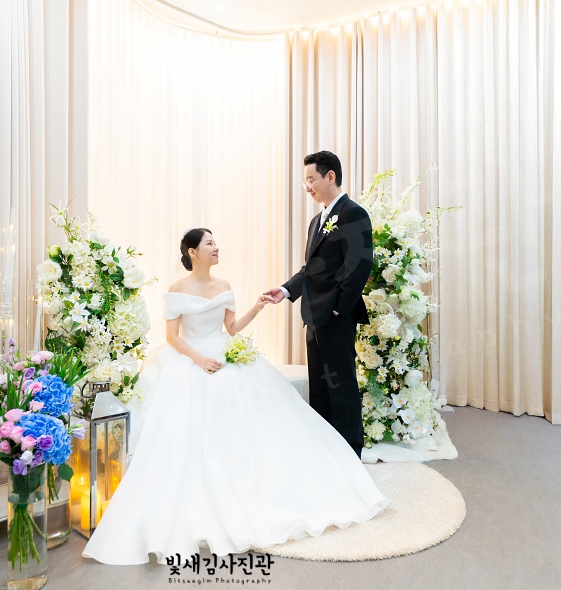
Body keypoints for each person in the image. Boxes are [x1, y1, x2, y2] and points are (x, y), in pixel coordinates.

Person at [81, 228, 388, 565]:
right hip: (189, 358)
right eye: (209, 243)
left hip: (222, 352)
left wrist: (256, 307)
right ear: (193, 252)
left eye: (216, 242)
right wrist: (199, 360)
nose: (216, 247)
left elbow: (231, 329)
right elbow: (172, 337)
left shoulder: (224, 285)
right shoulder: (177, 288)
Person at [264, 150, 374, 458]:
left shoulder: (354, 214)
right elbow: (311, 270)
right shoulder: (316, 221)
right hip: (313, 315)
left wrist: (338, 308)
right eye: (305, 182)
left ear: (330, 176)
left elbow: (359, 267)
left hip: (336, 316)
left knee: (342, 387)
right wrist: (286, 290)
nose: (307, 187)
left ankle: (350, 453)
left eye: (311, 179)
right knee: (321, 388)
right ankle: (326, 452)